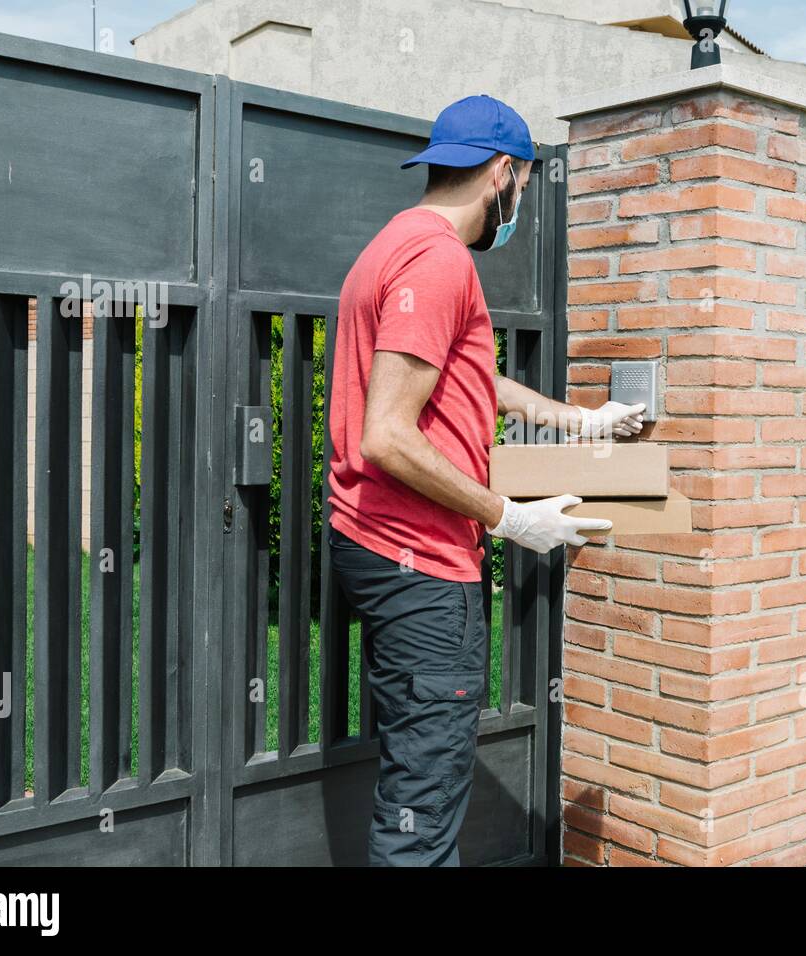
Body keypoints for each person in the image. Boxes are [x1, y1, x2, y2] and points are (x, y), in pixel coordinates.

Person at [326, 94, 645, 866]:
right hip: (422, 567)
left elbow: (471, 376)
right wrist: (510, 518)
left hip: (377, 547)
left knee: (415, 783)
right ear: (503, 173)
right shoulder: (438, 264)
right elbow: (388, 435)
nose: (521, 205)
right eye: (525, 187)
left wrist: (579, 421)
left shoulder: (396, 244)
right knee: (422, 814)